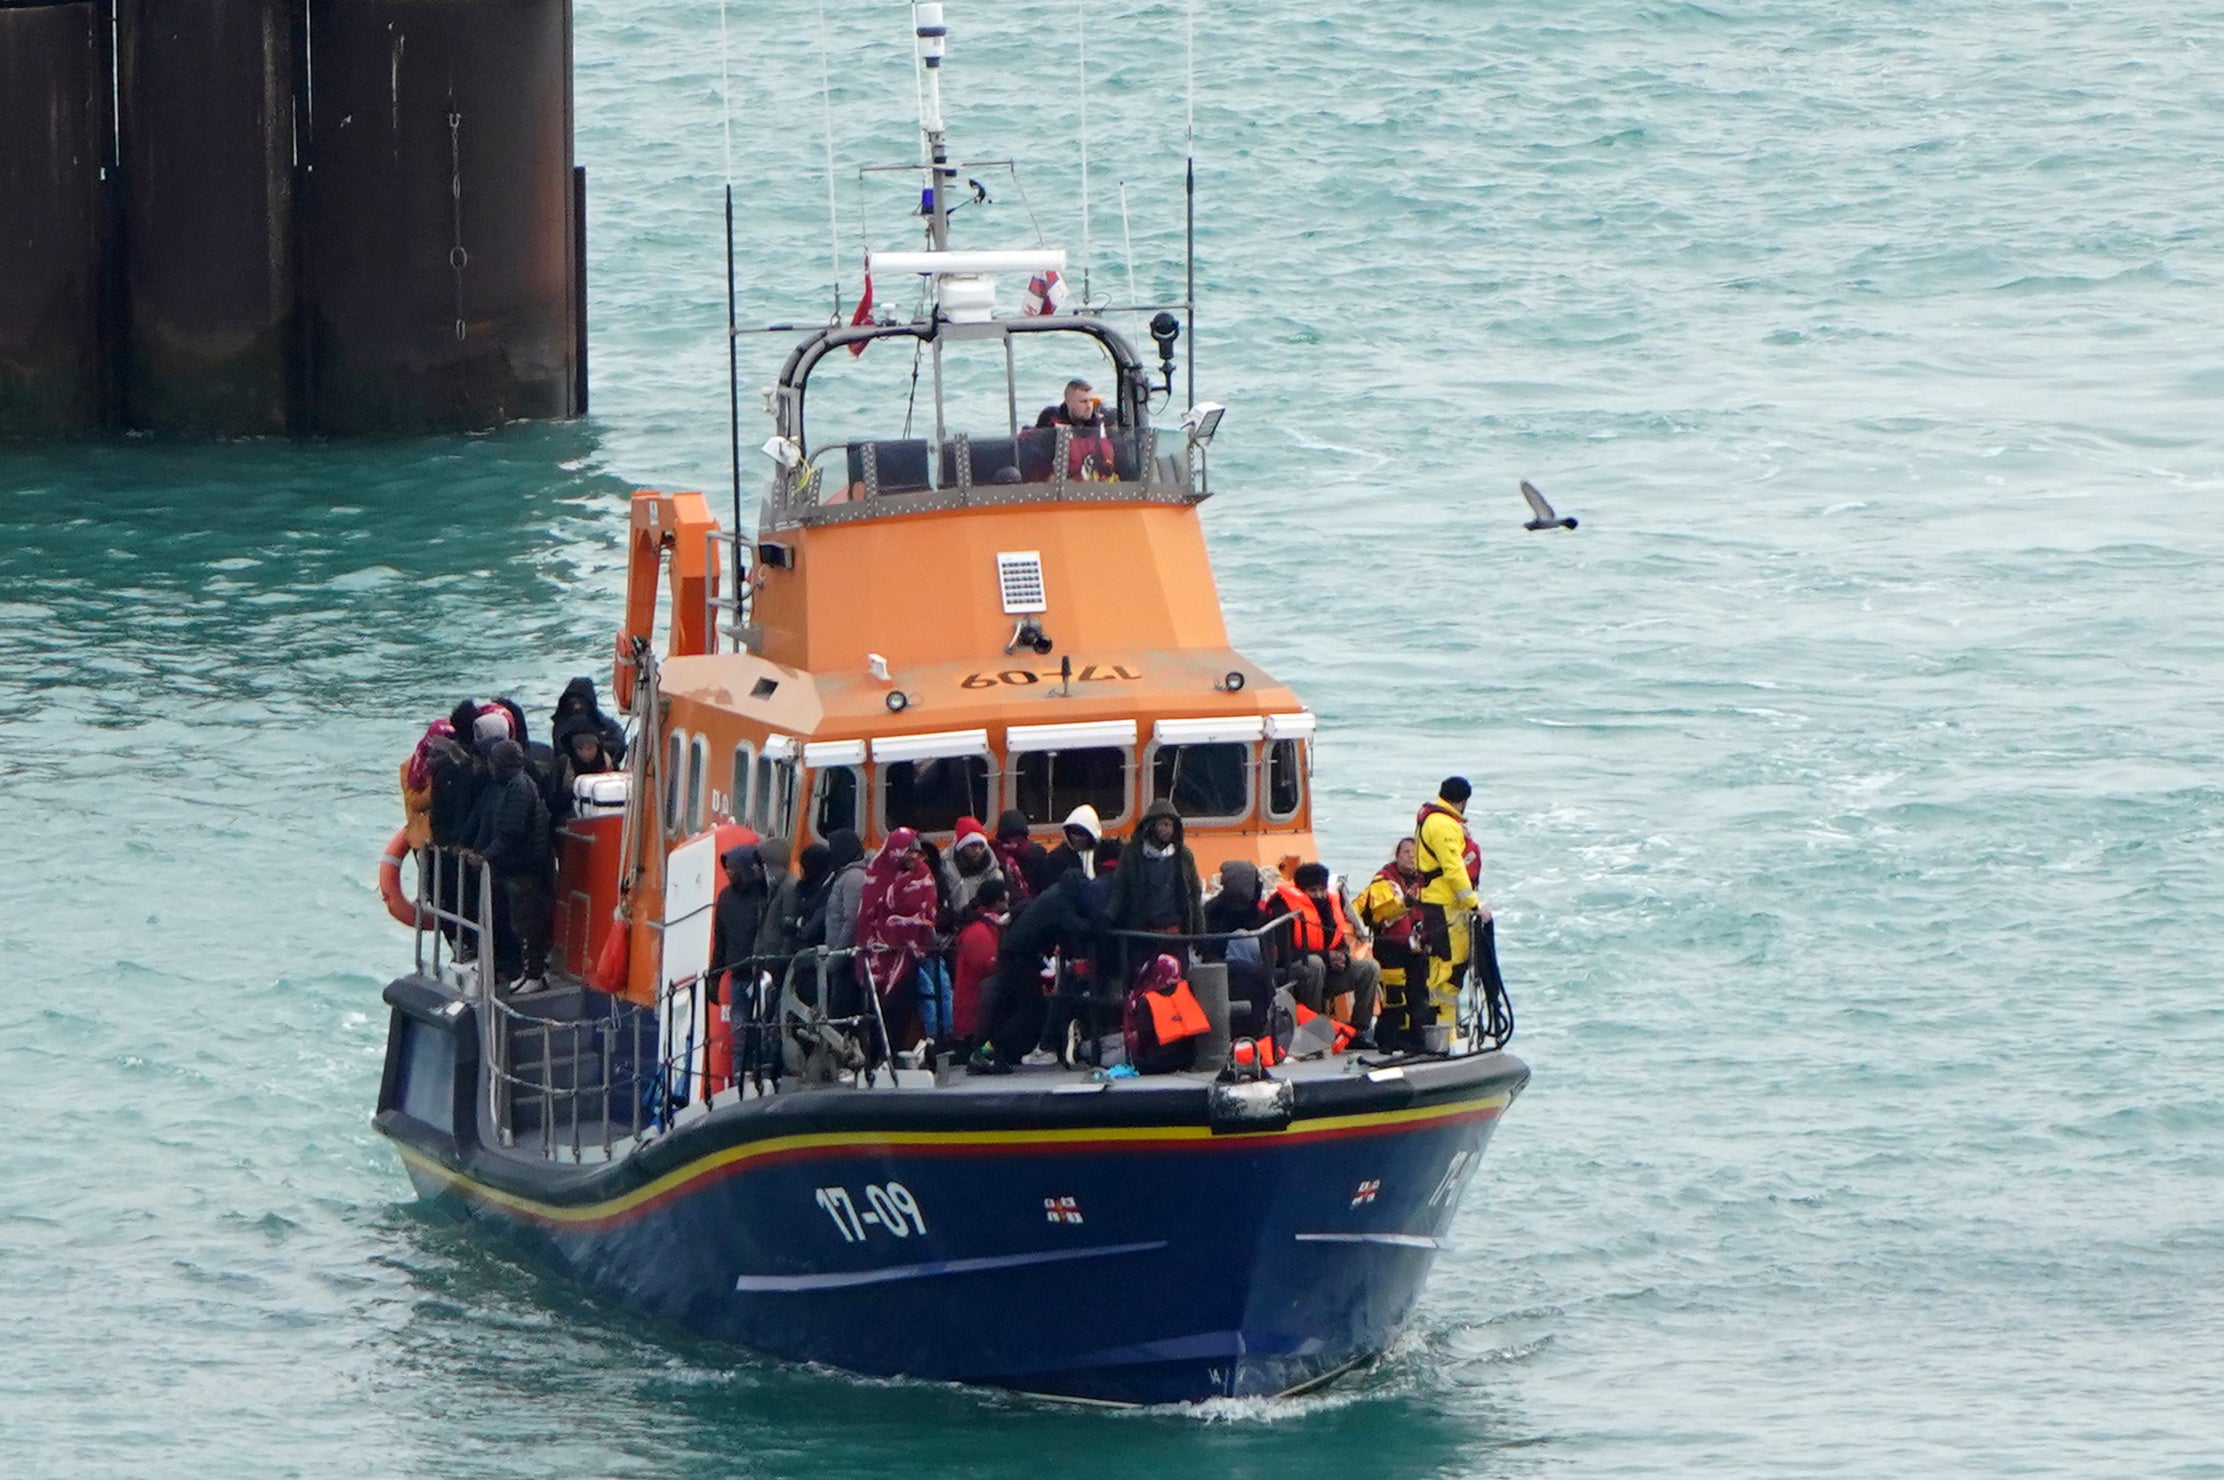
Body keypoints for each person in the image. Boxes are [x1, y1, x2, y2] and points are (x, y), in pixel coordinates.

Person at [970, 866, 1092, 1074]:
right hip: (1021, 957)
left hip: (1016, 952)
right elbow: (1075, 926)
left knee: (1015, 1009)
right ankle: (989, 1051)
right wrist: (1098, 924)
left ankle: (988, 1051)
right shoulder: (1062, 903)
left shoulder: (1053, 893)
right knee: (1031, 1011)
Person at [463, 739, 553, 992]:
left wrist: (485, 856)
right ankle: (528, 972)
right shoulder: (516, 785)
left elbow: (511, 833)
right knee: (518, 921)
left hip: (521, 868)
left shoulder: (518, 789)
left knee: (525, 924)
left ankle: (533, 975)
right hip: (517, 866)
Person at [1268, 862, 1379, 1035]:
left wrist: (1343, 957)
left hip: (1330, 973)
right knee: (1315, 963)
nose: (1319, 895)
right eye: (1313, 891)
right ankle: (1312, 1030)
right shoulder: (1282, 907)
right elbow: (1283, 952)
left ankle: (1359, 1030)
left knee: (1369, 968)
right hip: (1297, 973)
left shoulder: (1331, 906)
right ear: (1301, 889)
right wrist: (1326, 956)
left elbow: (1339, 941)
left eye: (1322, 890)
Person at [1415, 776, 1486, 1038]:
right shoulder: (1443, 824)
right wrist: (1474, 903)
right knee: (1447, 970)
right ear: (1463, 801)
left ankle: (1446, 1031)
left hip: (1443, 905)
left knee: (1448, 969)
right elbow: (1454, 869)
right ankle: (1443, 1035)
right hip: (1443, 906)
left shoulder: (1435, 819)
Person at [857, 828, 941, 1048]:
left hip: (908, 953)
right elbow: (867, 914)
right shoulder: (877, 874)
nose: (914, 856)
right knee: (877, 1007)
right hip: (877, 955)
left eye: (916, 851)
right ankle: (875, 1055)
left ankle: (897, 1050)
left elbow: (928, 911)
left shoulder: (923, 876)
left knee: (902, 1004)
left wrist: (907, 925)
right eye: (909, 851)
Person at [1354, 838, 1427, 1052]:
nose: (1411, 856)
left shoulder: (1425, 883)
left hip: (1416, 949)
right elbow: (1382, 912)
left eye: (1415, 852)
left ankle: (1416, 1039)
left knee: (1419, 996)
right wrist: (1406, 902)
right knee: (1393, 997)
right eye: (1406, 852)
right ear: (1397, 855)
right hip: (1391, 949)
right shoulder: (1383, 882)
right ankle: (1388, 1041)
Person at [1103, 799, 1204, 947]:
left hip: (1176, 934)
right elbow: (1120, 889)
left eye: (1171, 825)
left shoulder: (1183, 856)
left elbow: (1195, 895)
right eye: (1164, 824)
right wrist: (1108, 916)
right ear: (1151, 826)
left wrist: (1200, 934)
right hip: (1143, 934)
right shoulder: (1132, 854)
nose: (1168, 830)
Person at [708, 844, 768, 1076]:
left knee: (763, 1036)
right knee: (740, 1037)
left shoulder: (763, 896)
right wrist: (714, 976)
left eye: (733, 868)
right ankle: (738, 1084)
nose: (730, 873)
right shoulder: (725, 898)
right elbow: (720, 940)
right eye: (727, 869)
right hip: (738, 978)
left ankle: (761, 1082)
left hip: (761, 977)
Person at [1202, 859, 1274, 1032]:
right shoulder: (1213, 912)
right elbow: (1209, 952)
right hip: (1224, 968)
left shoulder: (1260, 915)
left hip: (1257, 969)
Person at [1122, 952, 1209, 1075]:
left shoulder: (1146, 1001)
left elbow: (1141, 1039)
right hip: (1187, 1061)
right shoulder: (1188, 992)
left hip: (1154, 1065)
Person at [950, 875, 1009, 1054]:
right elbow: (988, 966)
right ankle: (984, 1053)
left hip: (982, 1010)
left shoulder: (988, 926)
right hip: (975, 1016)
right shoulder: (978, 931)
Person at [551, 676, 628, 766]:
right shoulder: (561, 725)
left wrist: (597, 747)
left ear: (589, 703)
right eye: (572, 703)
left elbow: (619, 746)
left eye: (581, 703)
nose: (577, 707)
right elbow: (560, 750)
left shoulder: (605, 724)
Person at [942, 822, 1006, 916]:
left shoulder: (993, 871)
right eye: (972, 846)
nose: (977, 851)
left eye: (981, 846)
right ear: (961, 847)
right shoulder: (946, 870)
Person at [1037, 804, 1102, 887]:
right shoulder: (1056, 858)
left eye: (1082, 834)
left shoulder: (1102, 854)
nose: (1077, 838)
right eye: (1073, 833)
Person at [990, 809, 1042, 907]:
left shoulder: (1037, 854)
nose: (1015, 842)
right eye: (1010, 836)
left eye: (1019, 837)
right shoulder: (994, 855)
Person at [1035, 378, 1106, 430]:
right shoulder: (1050, 416)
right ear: (1068, 401)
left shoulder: (1101, 420)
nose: (1089, 407)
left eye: (1091, 400)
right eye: (1083, 402)